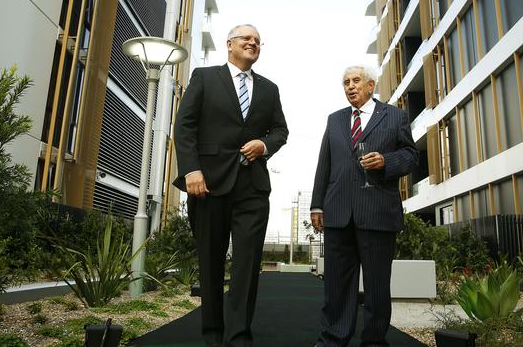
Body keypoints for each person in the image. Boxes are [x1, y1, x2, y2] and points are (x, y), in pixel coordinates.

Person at [173, 24, 288, 347]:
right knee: (210, 262)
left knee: (247, 264)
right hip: (207, 185)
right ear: (229, 45)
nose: (253, 42)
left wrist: (264, 146)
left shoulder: (270, 89)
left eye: (257, 40)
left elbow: (280, 131)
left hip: (252, 187)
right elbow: (184, 128)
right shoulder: (205, 78)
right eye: (246, 39)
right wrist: (191, 171)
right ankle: (213, 334)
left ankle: (238, 336)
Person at [310, 65, 418, 347]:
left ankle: (373, 341)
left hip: (377, 212)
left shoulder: (395, 116)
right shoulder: (335, 120)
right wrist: (316, 205)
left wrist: (386, 161)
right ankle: (333, 339)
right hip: (337, 214)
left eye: (356, 80)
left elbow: (411, 155)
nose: (350, 86)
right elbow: (325, 165)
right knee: (336, 286)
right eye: (345, 82)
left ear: (371, 85)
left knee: (376, 286)